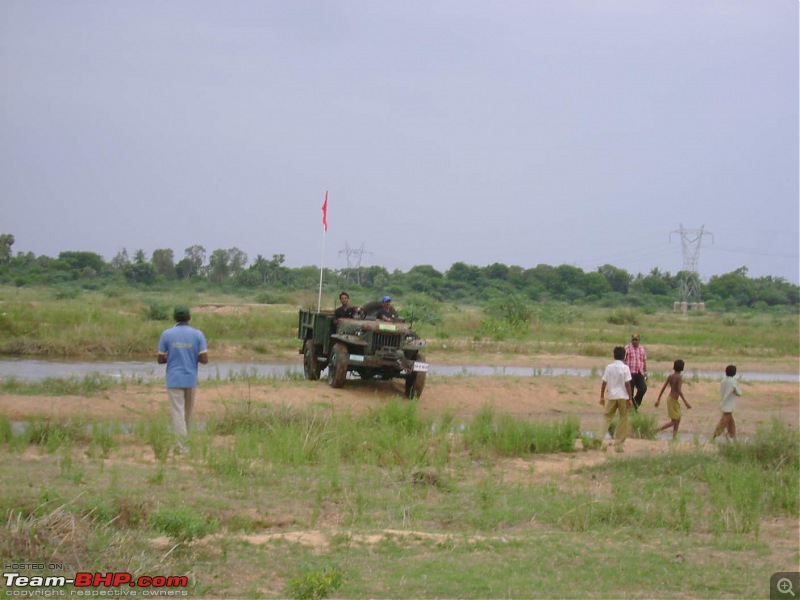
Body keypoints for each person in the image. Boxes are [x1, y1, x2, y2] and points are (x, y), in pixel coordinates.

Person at [157, 305, 208, 453]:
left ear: (174, 318)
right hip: (190, 378)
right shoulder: (198, 334)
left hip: (174, 379)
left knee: (177, 412)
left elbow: (160, 359)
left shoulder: (166, 334)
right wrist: (191, 355)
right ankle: (186, 443)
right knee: (188, 412)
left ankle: (182, 446)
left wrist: (173, 356)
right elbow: (204, 359)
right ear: (189, 317)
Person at [600, 346, 633, 452]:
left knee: (607, 417)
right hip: (623, 396)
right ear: (624, 356)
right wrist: (630, 398)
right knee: (623, 419)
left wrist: (601, 396)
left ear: (614, 355)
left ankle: (598, 438)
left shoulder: (609, 367)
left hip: (612, 396)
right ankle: (618, 444)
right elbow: (627, 384)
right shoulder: (625, 368)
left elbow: (604, 382)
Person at [654, 359, 692, 439]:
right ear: (682, 368)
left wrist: (658, 399)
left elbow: (663, 388)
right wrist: (686, 402)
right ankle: (657, 430)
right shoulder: (679, 377)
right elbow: (679, 390)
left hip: (671, 399)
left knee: (677, 419)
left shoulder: (671, 376)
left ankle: (674, 438)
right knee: (675, 421)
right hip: (673, 400)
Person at [712, 365, 742, 442]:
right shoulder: (733, 382)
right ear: (734, 373)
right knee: (722, 424)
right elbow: (739, 393)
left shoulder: (723, 381)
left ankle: (733, 439)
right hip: (729, 407)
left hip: (724, 405)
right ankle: (713, 438)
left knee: (731, 424)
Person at [624, 333, 648, 410]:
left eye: (636, 340)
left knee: (643, 389)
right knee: (630, 392)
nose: (634, 341)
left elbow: (643, 361)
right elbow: (623, 361)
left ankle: (635, 405)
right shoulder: (627, 348)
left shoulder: (642, 349)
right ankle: (629, 409)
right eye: (633, 340)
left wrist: (645, 373)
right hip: (629, 373)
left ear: (639, 340)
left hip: (639, 373)